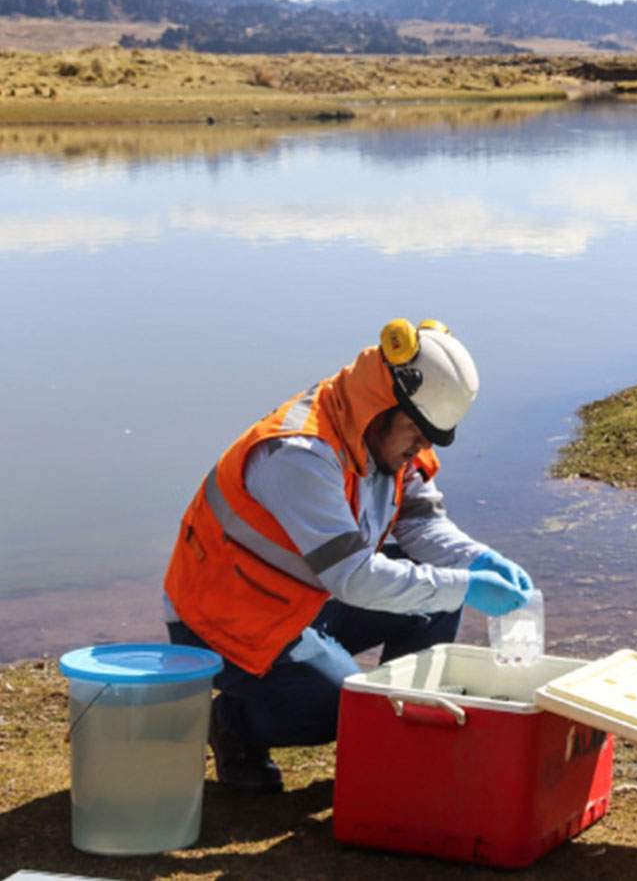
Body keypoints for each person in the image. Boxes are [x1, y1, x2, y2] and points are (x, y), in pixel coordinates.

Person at [163, 318, 533, 793]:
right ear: (383, 406)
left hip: (303, 599)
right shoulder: (299, 454)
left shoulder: (386, 441)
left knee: (436, 599)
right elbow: (355, 578)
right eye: (417, 434)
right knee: (342, 705)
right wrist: (467, 584)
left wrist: (477, 561)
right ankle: (231, 723)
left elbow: (420, 523)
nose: (421, 448)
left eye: (430, 439)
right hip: (225, 620)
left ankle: (394, 735)